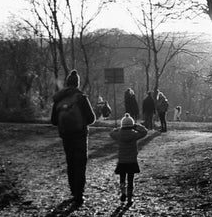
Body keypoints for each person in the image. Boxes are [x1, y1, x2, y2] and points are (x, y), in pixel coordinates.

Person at [49, 69, 96, 206]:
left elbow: (53, 121)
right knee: (80, 162)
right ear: (77, 84)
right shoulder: (81, 97)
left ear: (67, 83)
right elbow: (91, 118)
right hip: (80, 135)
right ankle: (79, 194)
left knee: (71, 162)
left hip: (66, 136)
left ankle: (73, 190)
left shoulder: (59, 98)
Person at [106, 113, 150, 204]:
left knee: (122, 178)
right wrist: (136, 126)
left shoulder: (119, 135)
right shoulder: (134, 134)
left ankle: (123, 192)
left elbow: (111, 133)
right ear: (132, 125)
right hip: (132, 161)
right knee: (130, 179)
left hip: (122, 161)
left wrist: (119, 128)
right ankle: (130, 198)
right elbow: (145, 131)